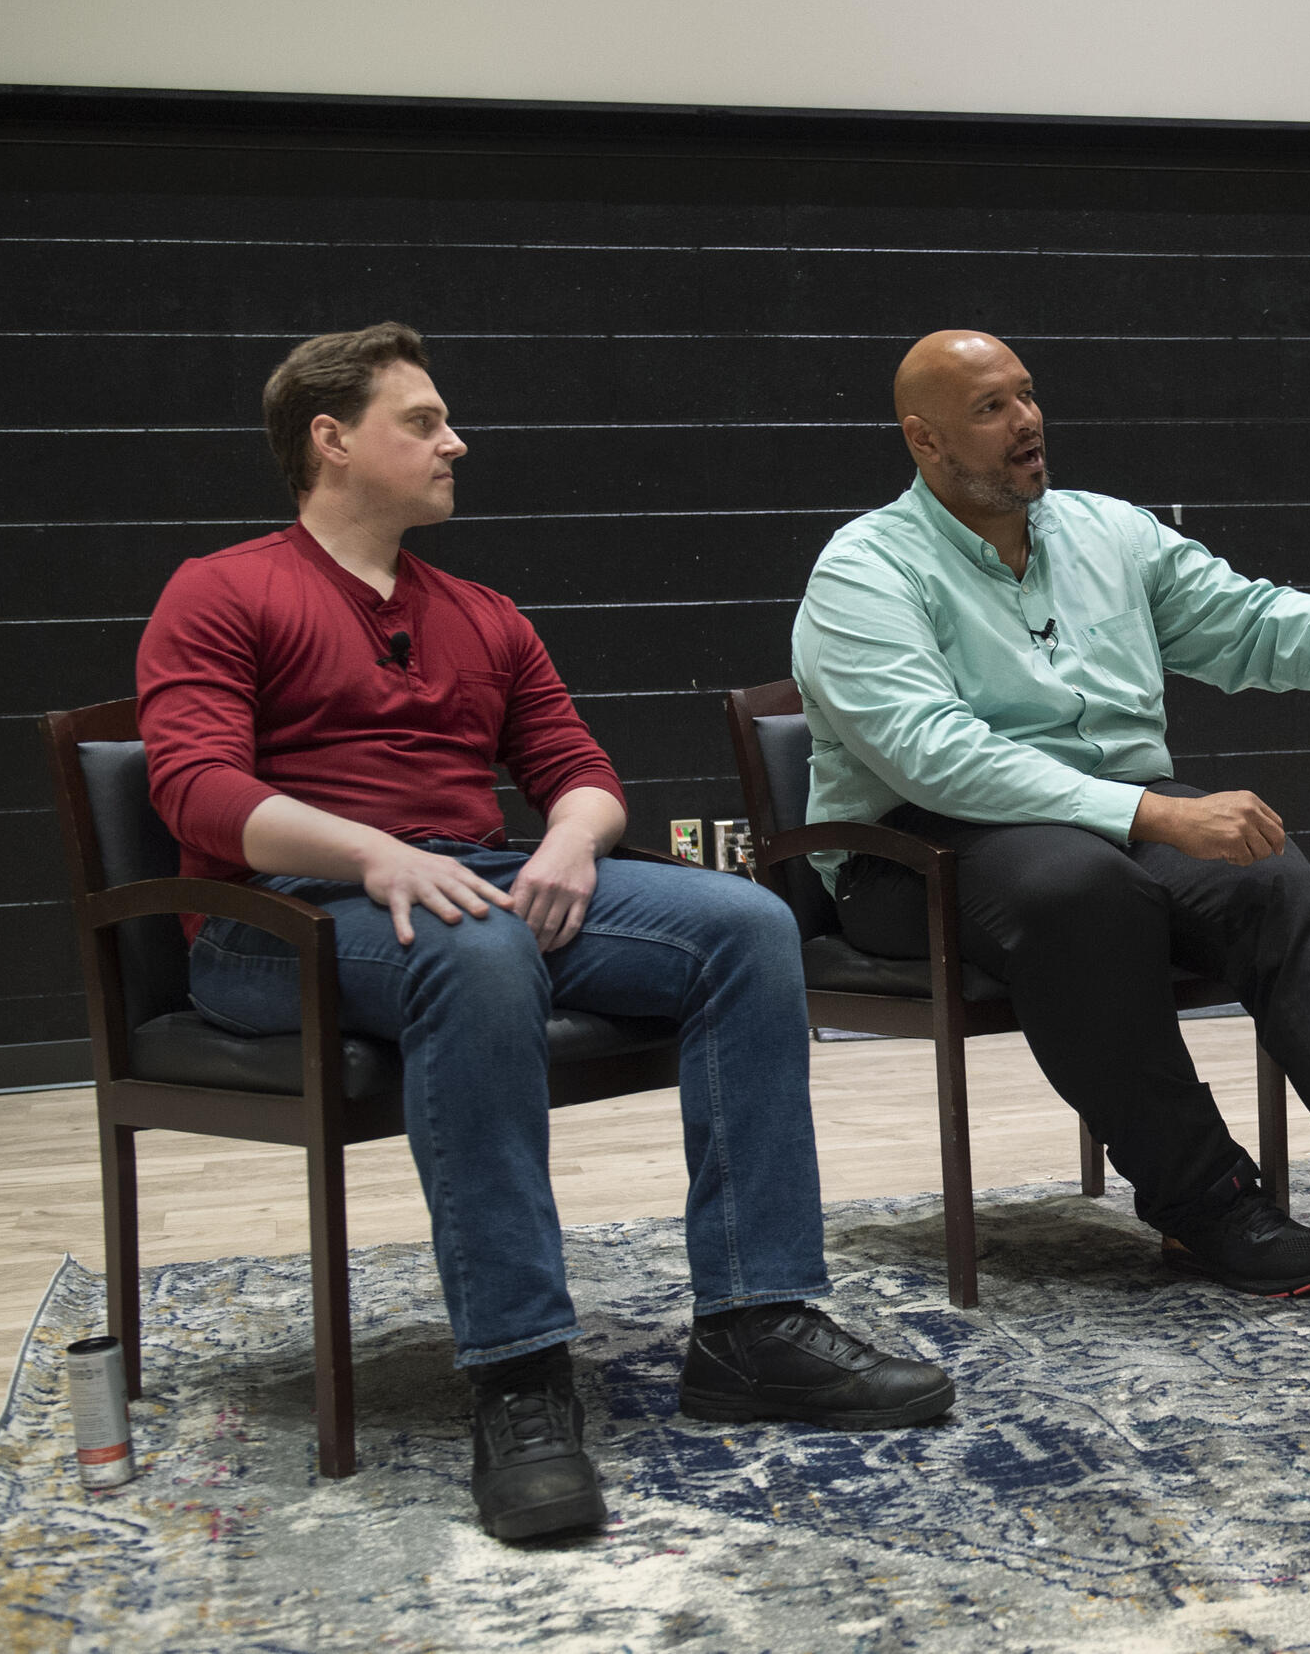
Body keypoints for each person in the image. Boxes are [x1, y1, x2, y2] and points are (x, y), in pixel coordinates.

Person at [135, 323, 951, 1542]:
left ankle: (753, 1324)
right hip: (282, 923)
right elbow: (195, 789)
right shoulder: (223, 589)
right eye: (422, 420)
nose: (454, 440)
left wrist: (574, 838)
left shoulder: (482, 612)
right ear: (331, 438)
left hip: (474, 882)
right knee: (477, 948)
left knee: (742, 920)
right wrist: (372, 852)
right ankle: (518, 1371)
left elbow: (577, 768)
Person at [791, 330, 1310, 1340]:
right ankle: (1204, 1203)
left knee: (1263, 879)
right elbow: (931, 753)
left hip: (1108, 819)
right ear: (922, 438)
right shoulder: (864, 569)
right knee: (1077, 890)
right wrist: (1157, 811)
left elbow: (1248, 622)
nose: (1029, 421)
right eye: (991, 409)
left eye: (1029, 395)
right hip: (917, 849)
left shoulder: (1107, 532)